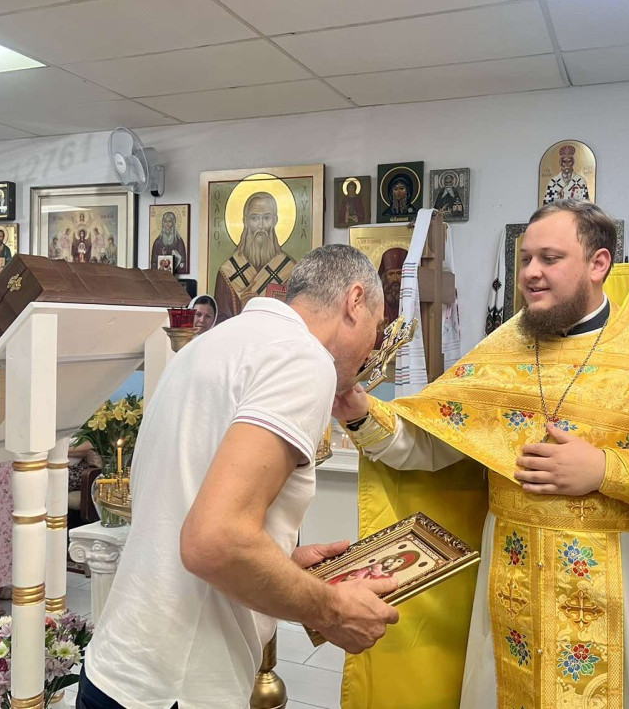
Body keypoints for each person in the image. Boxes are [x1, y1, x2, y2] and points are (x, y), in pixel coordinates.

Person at [334, 200, 629, 709]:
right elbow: (436, 439)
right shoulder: (502, 351)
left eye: (549, 258)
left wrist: (608, 470)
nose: (531, 272)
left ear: (598, 263)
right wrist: (360, 412)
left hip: (626, 594)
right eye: (525, 259)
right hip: (513, 585)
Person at [81, 245, 398, 709]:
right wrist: (333, 611)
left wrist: (282, 562)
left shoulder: (210, 345)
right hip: (182, 686)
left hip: (117, 667)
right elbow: (213, 541)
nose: (373, 348)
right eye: (377, 327)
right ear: (355, 301)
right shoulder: (302, 358)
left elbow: (189, 507)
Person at [213, 192, 296, 321]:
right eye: (254, 218)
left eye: (266, 218)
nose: (260, 225)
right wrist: (243, 310)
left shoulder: (290, 269)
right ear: (245, 221)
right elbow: (220, 320)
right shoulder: (228, 271)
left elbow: (296, 316)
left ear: (275, 221)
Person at [375, 246, 407, 348]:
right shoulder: (376, 304)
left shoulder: (413, 303)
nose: (395, 279)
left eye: (399, 273)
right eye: (391, 274)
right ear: (384, 276)